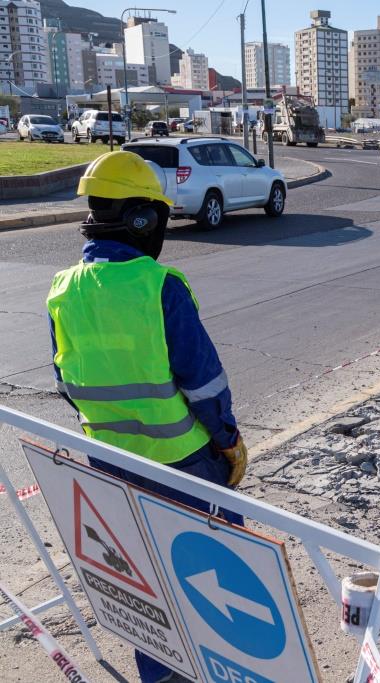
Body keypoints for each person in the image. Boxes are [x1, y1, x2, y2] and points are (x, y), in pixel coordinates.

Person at [46, 151, 247, 683]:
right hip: (183, 465)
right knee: (224, 573)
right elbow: (204, 384)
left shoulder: (62, 291)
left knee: (141, 587)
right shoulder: (160, 286)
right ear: (143, 220)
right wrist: (227, 441)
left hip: (107, 465)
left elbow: (65, 381)